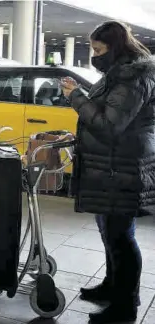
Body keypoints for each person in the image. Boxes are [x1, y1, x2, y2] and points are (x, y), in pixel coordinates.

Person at [62, 21, 155, 324]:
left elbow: (109, 126)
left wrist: (76, 97)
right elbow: (106, 109)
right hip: (112, 167)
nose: (94, 55)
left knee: (120, 237)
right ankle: (111, 288)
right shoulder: (119, 73)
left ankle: (125, 306)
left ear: (115, 48)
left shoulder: (133, 77)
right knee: (110, 232)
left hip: (122, 168)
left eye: (99, 49)